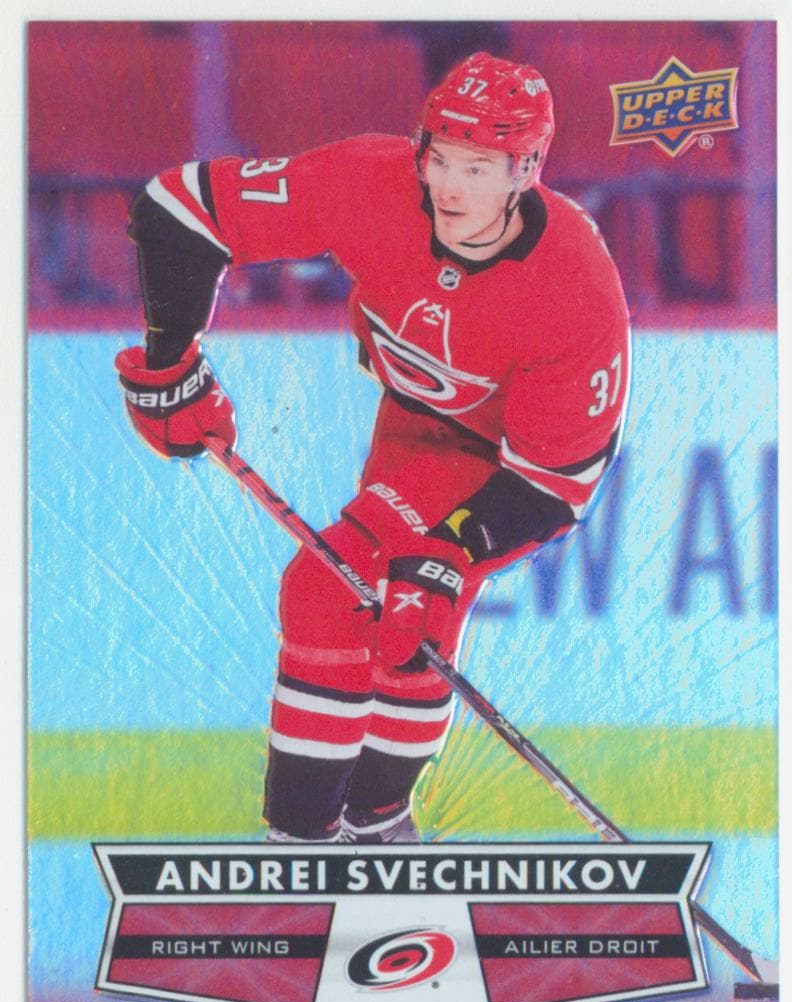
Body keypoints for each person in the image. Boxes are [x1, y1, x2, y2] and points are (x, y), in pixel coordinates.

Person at [116, 52, 630, 844]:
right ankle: (376, 826)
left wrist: (451, 551)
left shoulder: (576, 287)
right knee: (397, 617)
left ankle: (302, 844)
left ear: (526, 170)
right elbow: (179, 207)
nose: (448, 186)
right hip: (408, 418)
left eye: (477, 168)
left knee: (333, 593)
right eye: (439, 158)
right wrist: (169, 362)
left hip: (500, 461)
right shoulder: (370, 180)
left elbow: (554, 483)